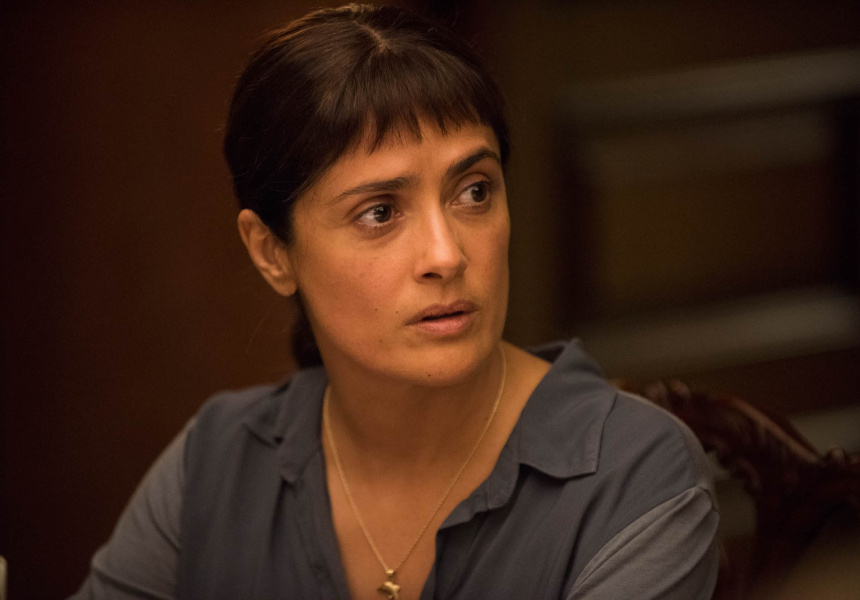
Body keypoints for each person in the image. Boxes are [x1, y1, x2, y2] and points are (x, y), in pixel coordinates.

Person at [70, 4, 719, 599]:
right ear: (272, 252)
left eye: (474, 191)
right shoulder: (214, 465)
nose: (447, 254)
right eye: (380, 212)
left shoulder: (633, 474)